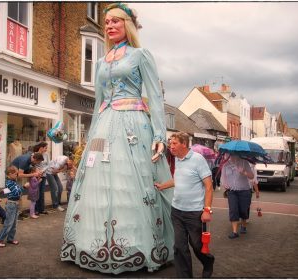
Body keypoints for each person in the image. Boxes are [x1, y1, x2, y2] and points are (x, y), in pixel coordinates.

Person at [61, 3, 174, 274]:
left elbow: (155, 98)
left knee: (131, 183)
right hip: (105, 125)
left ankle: (140, 245)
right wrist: (91, 135)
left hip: (133, 124)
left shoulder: (140, 55)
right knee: (100, 184)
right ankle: (96, 244)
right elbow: (100, 100)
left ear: (128, 25)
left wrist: (160, 134)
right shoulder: (101, 62)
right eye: (107, 21)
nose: (110, 26)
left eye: (116, 21)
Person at [155, 132, 215, 278]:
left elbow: (208, 186)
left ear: (184, 144)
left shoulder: (197, 159)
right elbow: (178, 180)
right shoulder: (178, 160)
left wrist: (207, 210)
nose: (171, 146)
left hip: (194, 213)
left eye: (174, 143)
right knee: (180, 247)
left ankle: (208, 262)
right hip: (177, 211)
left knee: (197, 246)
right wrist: (162, 186)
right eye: (170, 143)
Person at [220, 153, 254, 239]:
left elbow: (252, 176)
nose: (232, 156)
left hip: (244, 190)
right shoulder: (226, 164)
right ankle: (234, 232)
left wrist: (244, 172)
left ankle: (243, 225)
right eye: (230, 154)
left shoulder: (244, 163)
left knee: (243, 210)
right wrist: (225, 185)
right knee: (233, 210)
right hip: (232, 191)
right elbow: (223, 177)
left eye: (234, 154)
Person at [0, 166, 23, 248]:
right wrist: (24, 187)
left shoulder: (13, 182)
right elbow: (16, 192)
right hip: (11, 205)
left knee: (14, 224)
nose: (16, 175)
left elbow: (9, 191)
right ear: (10, 174)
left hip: (15, 204)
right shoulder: (9, 182)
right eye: (15, 174)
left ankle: (10, 239)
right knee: (8, 223)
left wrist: (6, 191)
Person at [11, 152, 44, 219]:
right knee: (15, 195)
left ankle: (19, 212)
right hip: (11, 176)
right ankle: (15, 214)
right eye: (37, 162)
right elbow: (20, 175)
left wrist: (37, 172)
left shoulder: (31, 159)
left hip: (16, 175)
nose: (37, 164)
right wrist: (33, 174)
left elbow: (28, 170)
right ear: (35, 159)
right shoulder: (25, 160)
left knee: (19, 194)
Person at [33, 142, 50, 215]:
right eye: (45, 148)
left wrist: (43, 171)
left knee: (42, 192)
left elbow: (48, 164)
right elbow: (34, 164)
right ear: (41, 148)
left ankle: (42, 209)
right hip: (36, 175)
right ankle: (36, 209)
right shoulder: (35, 154)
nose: (46, 149)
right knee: (36, 192)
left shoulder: (46, 155)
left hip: (44, 175)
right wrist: (38, 172)